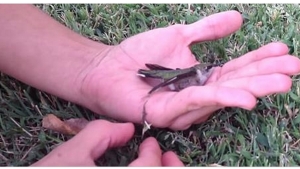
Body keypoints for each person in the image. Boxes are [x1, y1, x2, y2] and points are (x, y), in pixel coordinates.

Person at [0, 4, 299, 166]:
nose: (208, 72)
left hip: (159, 77)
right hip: (167, 77)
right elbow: (176, 79)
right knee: (164, 80)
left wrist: (94, 66)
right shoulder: (188, 76)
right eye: (206, 70)